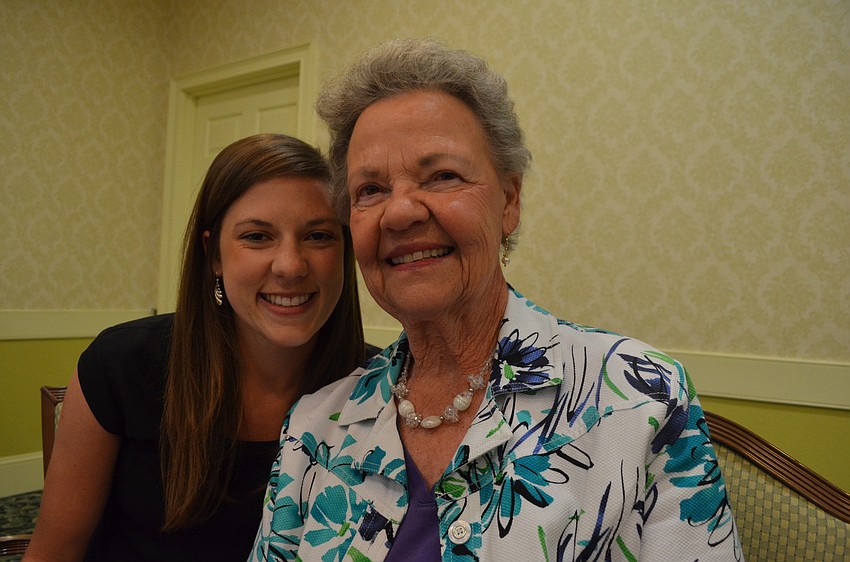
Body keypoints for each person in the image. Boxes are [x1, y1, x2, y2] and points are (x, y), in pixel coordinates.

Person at [249, 40, 743, 561]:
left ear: (509, 201)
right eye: (369, 189)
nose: (399, 213)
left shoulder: (637, 399)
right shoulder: (315, 427)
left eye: (442, 176)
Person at [24, 134, 377, 561]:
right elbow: (56, 550)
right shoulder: (121, 365)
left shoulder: (379, 389)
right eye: (257, 237)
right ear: (213, 254)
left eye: (318, 236)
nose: (290, 266)